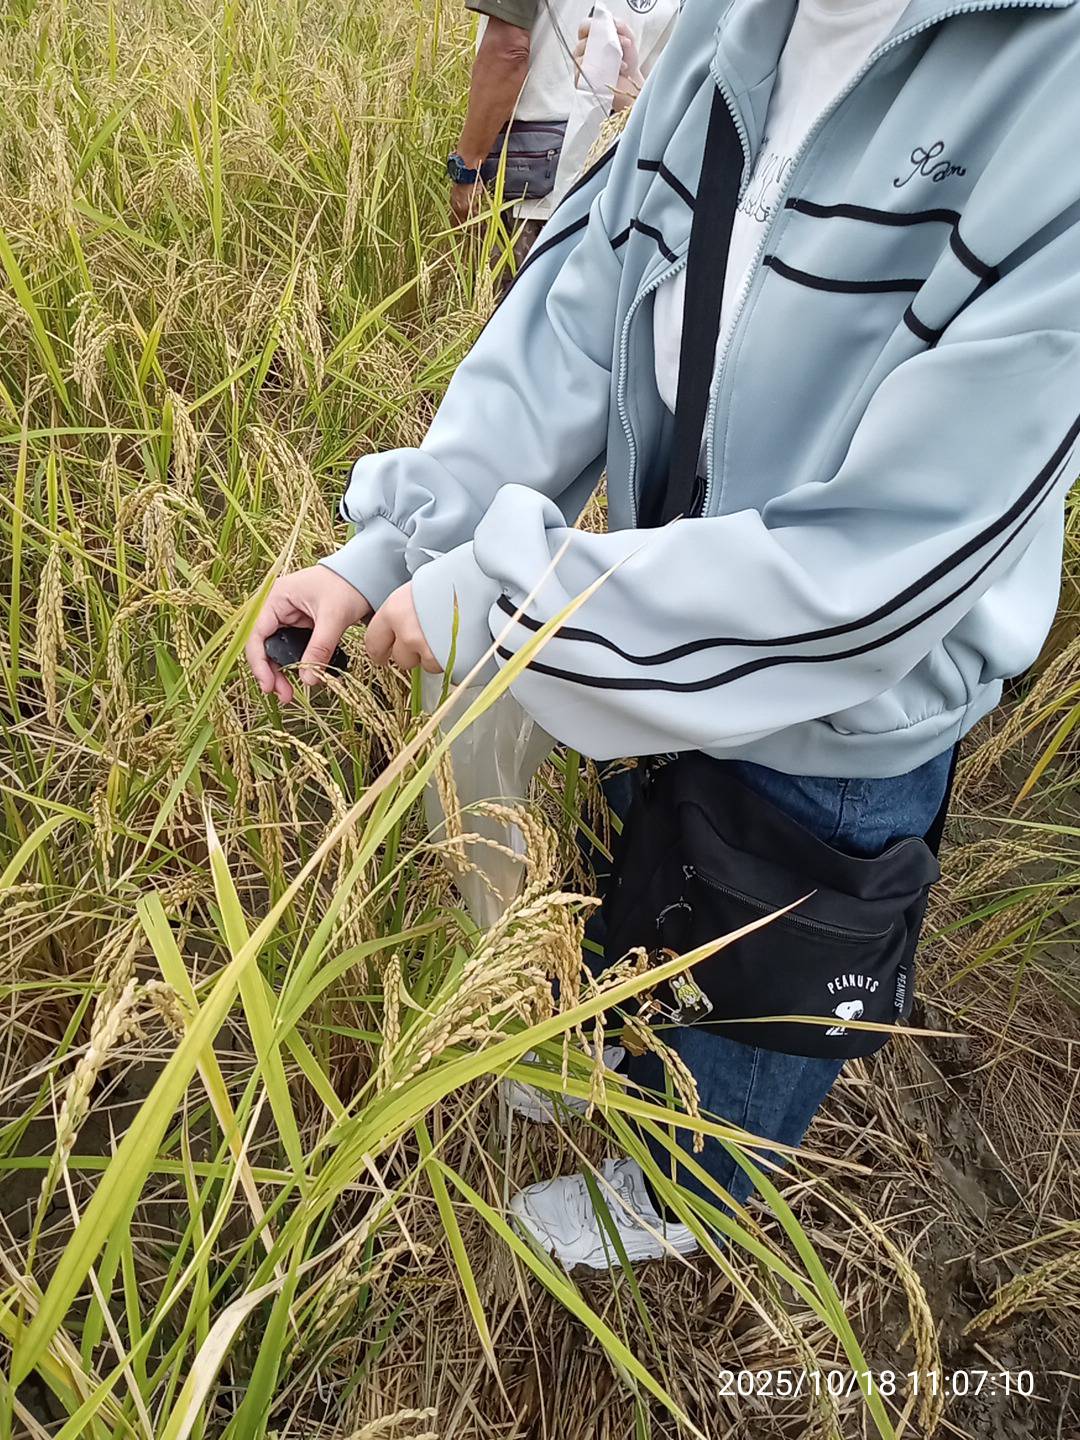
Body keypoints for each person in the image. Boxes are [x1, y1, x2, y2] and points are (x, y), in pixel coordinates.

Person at [246, 0, 1080, 1271]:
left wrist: (515, 604)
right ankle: (608, 1059)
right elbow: (584, 308)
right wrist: (397, 547)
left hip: (836, 726)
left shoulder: (1051, 95)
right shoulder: (732, 25)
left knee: (764, 994)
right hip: (639, 629)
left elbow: (880, 570)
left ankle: (683, 1200)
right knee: (656, 890)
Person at [447, 0, 679, 256]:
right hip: (624, 186)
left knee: (516, 293)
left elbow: (508, 51)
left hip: (532, 192)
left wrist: (466, 168)